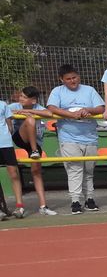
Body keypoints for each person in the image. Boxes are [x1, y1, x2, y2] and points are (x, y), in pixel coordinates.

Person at [46, 64, 105, 214]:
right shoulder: (57, 91)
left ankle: (89, 199)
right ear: (62, 80)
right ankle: (75, 201)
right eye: (68, 79)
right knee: (74, 169)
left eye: (74, 77)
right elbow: (52, 108)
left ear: (78, 76)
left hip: (90, 137)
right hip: (68, 138)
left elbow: (101, 108)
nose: (72, 81)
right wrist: (70, 114)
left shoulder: (89, 90)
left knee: (89, 170)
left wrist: (88, 110)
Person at [7, 87, 53, 216]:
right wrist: (21, 113)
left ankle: (43, 206)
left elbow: (49, 114)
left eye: (24, 97)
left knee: (36, 172)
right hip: (20, 138)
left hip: (35, 142)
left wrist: (26, 111)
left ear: (33, 101)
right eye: (21, 96)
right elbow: (7, 111)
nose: (21, 98)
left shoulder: (38, 107)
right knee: (30, 120)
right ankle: (19, 206)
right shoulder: (14, 105)